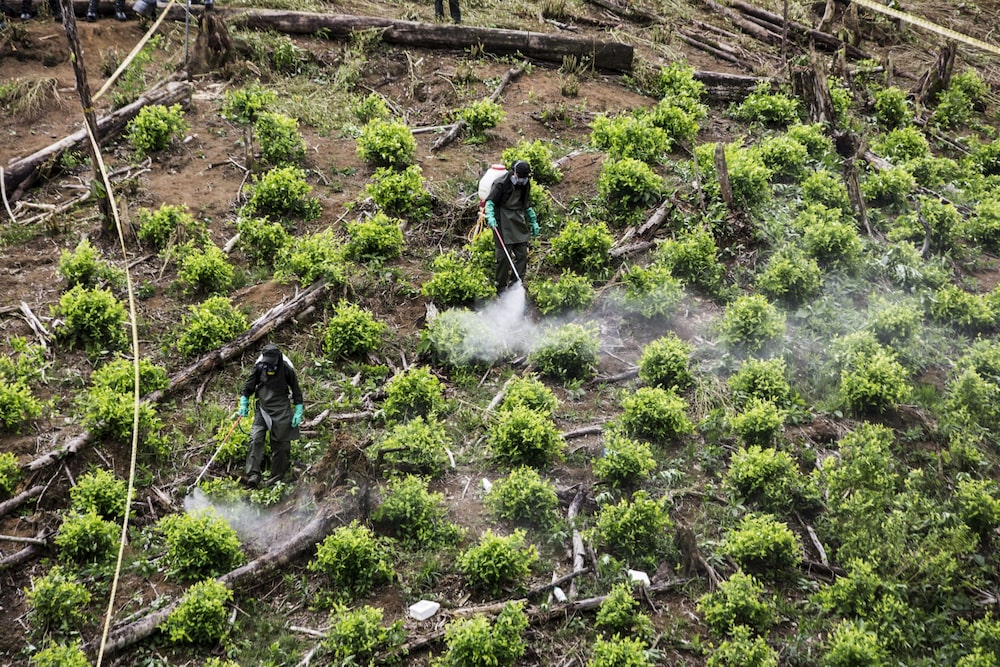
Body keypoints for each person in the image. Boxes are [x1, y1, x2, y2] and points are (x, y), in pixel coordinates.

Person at [238, 343, 303, 487]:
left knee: (281, 443)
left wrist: (298, 411)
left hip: (281, 408)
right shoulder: (260, 366)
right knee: (256, 437)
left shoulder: (286, 368)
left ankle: (278, 475)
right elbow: (247, 387)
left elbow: (296, 391)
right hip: (263, 407)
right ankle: (253, 474)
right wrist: (244, 403)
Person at [484, 159, 539, 293]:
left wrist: (533, 220)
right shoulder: (500, 183)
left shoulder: (525, 184)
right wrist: (490, 216)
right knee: (503, 257)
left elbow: (526, 204)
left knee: (522, 255)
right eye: (519, 177)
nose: (521, 180)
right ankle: (500, 287)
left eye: (524, 177)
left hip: (517, 220)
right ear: (514, 172)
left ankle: (516, 284)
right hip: (502, 219)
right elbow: (490, 202)